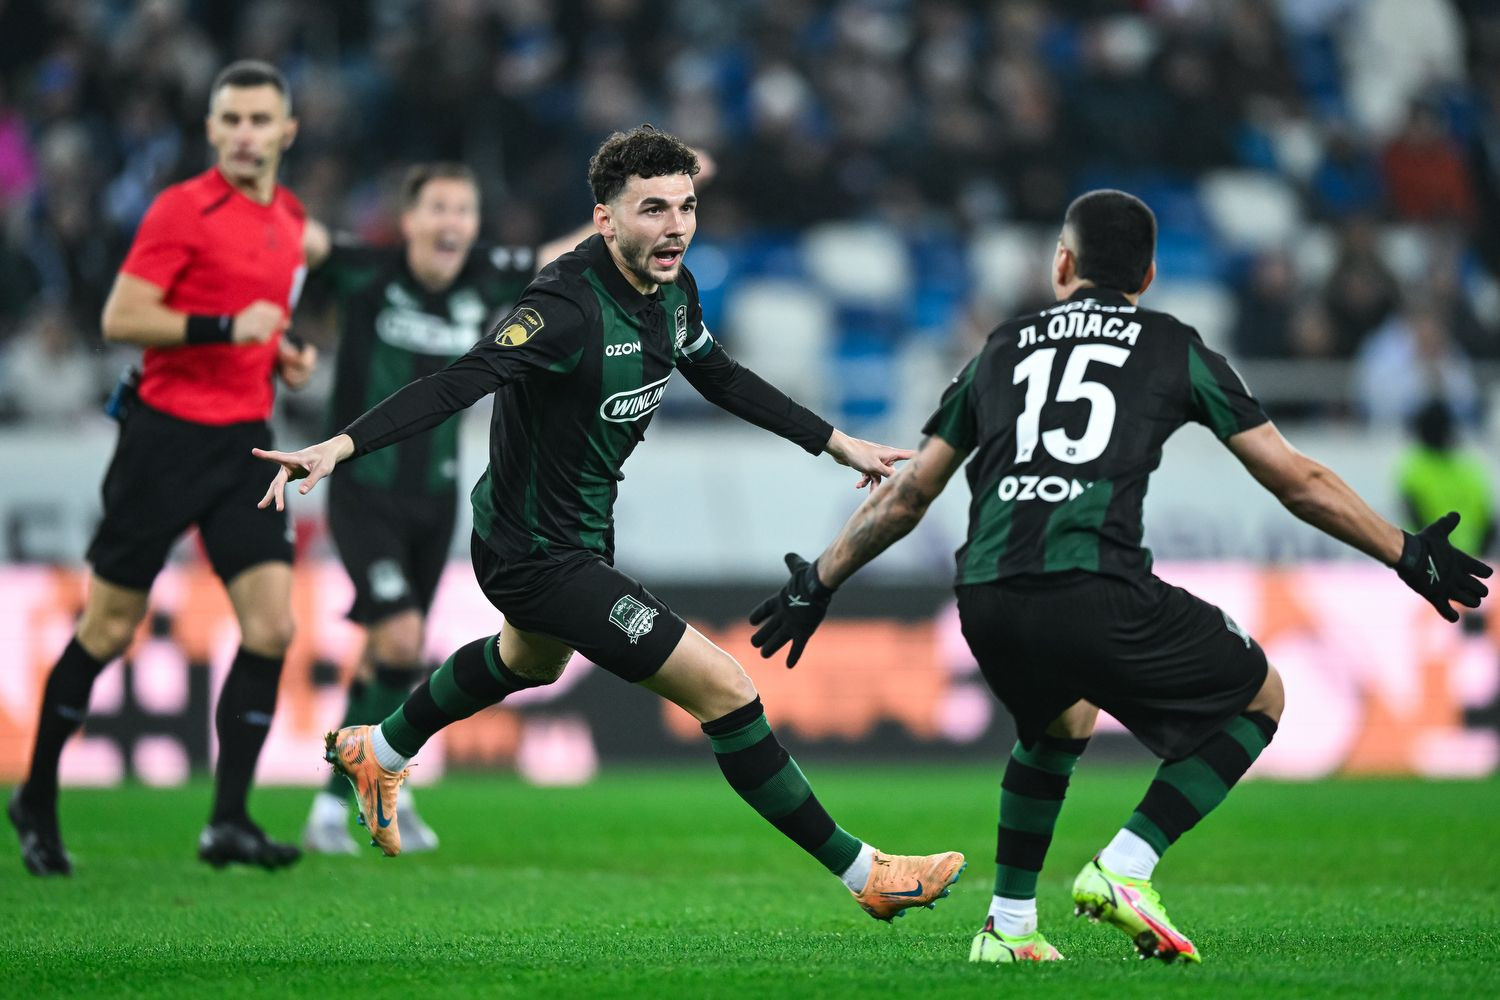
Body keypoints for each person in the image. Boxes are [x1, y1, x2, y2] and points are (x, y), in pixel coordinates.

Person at [748, 190, 1491, 963]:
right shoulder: (1172, 345)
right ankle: (1126, 866)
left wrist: (819, 581)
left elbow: (908, 495)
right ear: (1148, 276)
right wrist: (1404, 552)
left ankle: (1008, 927)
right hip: (1094, 586)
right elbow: (1294, 480)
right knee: (1260, 696)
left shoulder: (1001, 347)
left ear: (1062, 265)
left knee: (1060, 720)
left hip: (987, 598)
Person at [254, 126, 965, 920]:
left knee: (526, 660)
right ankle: (865, 873)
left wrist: (835, 442)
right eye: (653, 209)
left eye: (686, 207)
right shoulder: (562, 307)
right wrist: (339, 446)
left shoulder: (674, 290)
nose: (675, 227)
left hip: (580, 535)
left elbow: (720, 375)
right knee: (725, 689)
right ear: (606, 219)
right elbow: (461, 380)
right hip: (533, 552)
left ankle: (378, 746)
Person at [7, 60, 319, 876]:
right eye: (231, 119)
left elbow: (261, 319)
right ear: (211, 130)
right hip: (164, 442)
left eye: (260, 119)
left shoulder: (290, 219)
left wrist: (281, 352)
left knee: (272, 627)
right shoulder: (182, 209)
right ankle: (36, 795)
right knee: (109, 628)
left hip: (246, 445)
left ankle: (229, 822)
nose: (245, 133)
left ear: (287, 131)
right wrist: (225, 325)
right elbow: (121, 316)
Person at [297, 163, 595, 855]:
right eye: (437, 208)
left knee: (390, 654)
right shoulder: (363, 269)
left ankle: (355, 791)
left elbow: (563, 253)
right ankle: (349, 792)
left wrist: (622, 213)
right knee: (400, 639)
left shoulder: (486, 278)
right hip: (364, 491)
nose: (451, 221)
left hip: (436, 496)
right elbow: (294, 237)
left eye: (463, 209)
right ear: (408, 221)